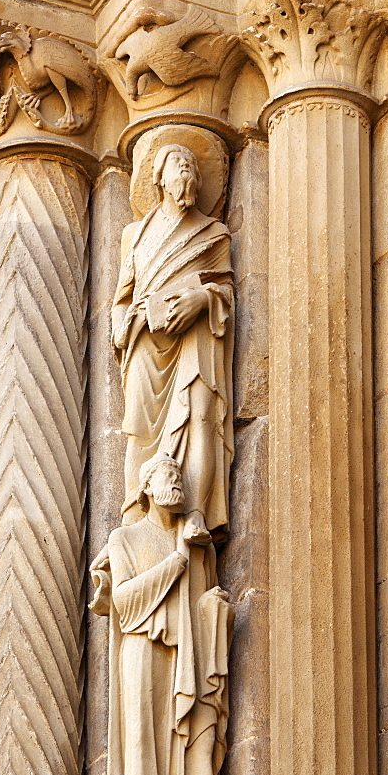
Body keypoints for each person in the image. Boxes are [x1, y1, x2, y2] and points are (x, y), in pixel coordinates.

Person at [98, 453, 233, 775]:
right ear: (146, 489)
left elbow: (202, 592)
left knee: (199, 735)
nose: (176, 481)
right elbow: (122, 601)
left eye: (179, 474)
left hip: (193, 650)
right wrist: (177, 560)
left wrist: (214, 601)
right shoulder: (125, 538)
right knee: (145, 740)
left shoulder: (195, 538)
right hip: (144, 648)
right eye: (167, 475)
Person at [112, 144, 234, 539]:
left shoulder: (214, 233)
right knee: (140, 428)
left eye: (194, 167)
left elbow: (227, 291)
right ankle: (135, 514)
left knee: (200, 417)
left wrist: (203, 298)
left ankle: (196, 510)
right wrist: (121, 326)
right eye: (179, 165)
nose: (188, 172)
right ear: (159, 178)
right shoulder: (135, 234)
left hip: (197, 336)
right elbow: (123, 297)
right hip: (146, 338)